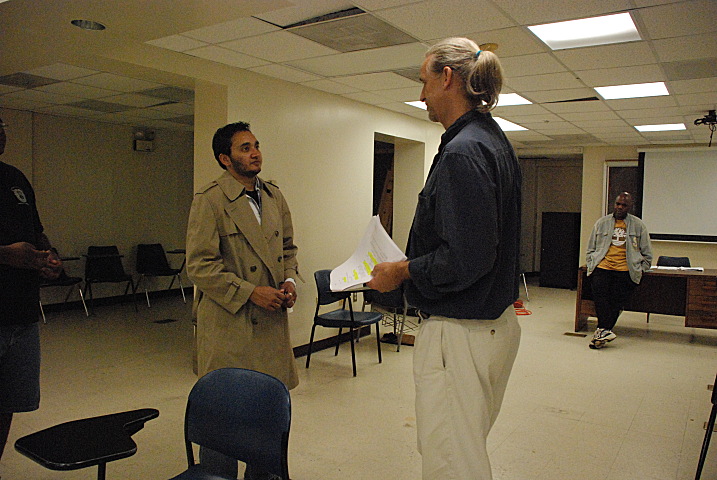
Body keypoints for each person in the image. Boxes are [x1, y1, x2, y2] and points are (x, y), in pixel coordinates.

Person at [367, 38, 522, 480]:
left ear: (447, 78)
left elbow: (466, 258)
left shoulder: (463, 152)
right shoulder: (491, 140)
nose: (421, 95)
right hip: (490, 326)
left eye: (424, 82)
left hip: (460, 332)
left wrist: (402, 271)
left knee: (452, 461)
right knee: (461, 449)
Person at [185, 121, 299, 480]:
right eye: (244, 148)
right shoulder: (210, 200)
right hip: (229, 325)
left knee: (265, 419)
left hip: (270, 324)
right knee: (224, 419)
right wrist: (251, 292)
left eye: (256, 145)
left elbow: (288, 248)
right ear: (225, 158)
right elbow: (199, 266)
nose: (255, 153)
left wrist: (288, 279)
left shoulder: (273, 196)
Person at [0, 117, 62, 464]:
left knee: (8, 404)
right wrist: (5, 255)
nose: (0, 132)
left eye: (1, 124)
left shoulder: (15, 178)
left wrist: (47, 257)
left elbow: (37, 231)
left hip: (22, 317)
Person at [586, 192, 652, 349]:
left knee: (616, 302)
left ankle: (601, 332)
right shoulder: (601, 223)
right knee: (600, 299)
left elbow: (647, 254)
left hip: (625, 270)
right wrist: (591, 263)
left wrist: (639, 269)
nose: (620, 207)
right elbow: (590, 248)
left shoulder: (638, 225)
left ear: (630, 207)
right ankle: (604, 332)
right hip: (603, 267)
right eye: (618, 204)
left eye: (624, 205)